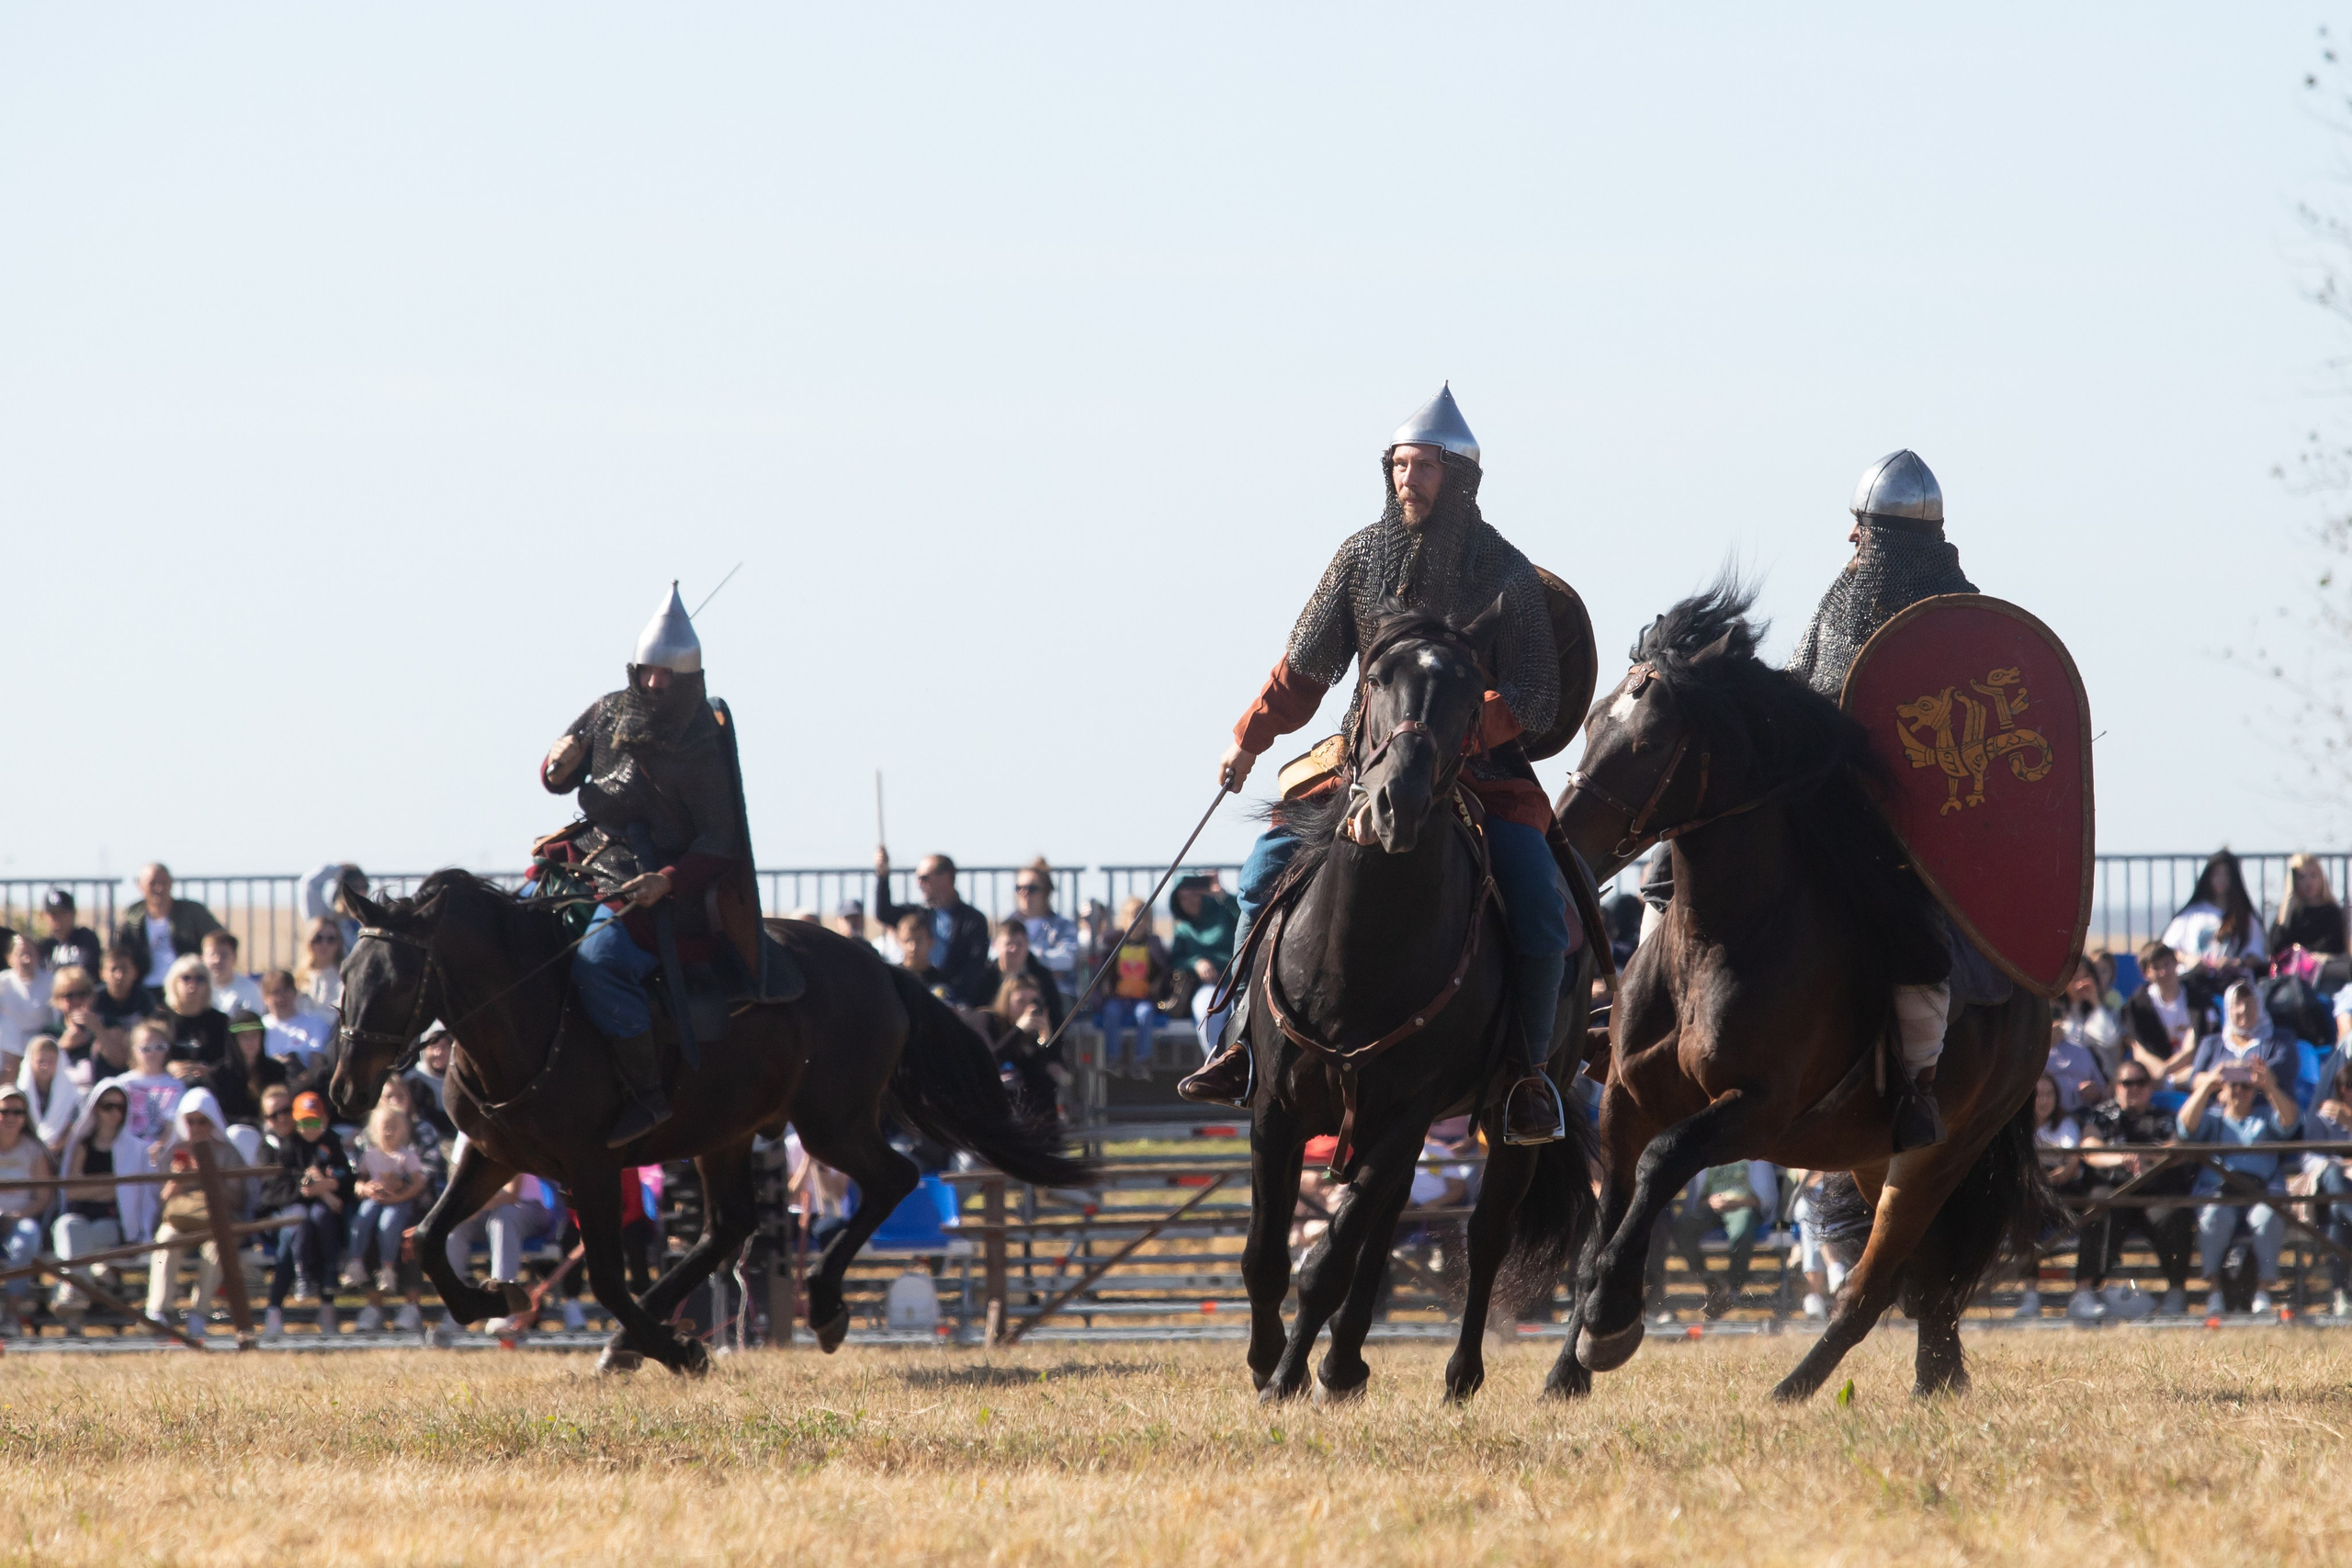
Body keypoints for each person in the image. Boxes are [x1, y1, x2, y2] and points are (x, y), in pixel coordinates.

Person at [1183, 385, 1576, 1145]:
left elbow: (1535, 689)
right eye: (1399, 466)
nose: (1408, 480)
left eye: (1423, 467)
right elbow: (1305, 669)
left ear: (1458, 479)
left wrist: (1466, 725)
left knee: (1536, 901)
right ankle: (1238, 1044)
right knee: (1263, 865)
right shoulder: (1363, 557)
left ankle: (1528, 1077)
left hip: (1475, 772)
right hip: (1364, 762)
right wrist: (1250, 737)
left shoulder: (1506, 574)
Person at [1768, 449, 1982, 1150]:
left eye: (1863, 527)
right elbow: (1801, 681)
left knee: (1917, 944)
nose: (1852, 539)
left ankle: (1917, 1085)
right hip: (1821, 801)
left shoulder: (1959, 615)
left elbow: (1974, 739)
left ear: (1888, 534)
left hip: (1904, 826)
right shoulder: (1841, 596)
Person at [537, 583, 752, 1147]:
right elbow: (561, 776)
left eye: (668, 676)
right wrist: (555, 767)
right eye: (649, 672)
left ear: (689, 680)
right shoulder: (609, 709)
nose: (656, 684)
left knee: (599, 960)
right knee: (521, 940)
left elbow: (719, 837)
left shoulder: (701, 743)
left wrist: (669, 881)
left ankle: (645, 1093)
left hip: (661, 883)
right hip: (588, 858)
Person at [2069, 1062, 2197, 1320]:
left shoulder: (2163, 1117)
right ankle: (2084, 1291)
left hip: (2155, 1190)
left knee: (2176, 1214)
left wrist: (2143, 1157)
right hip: (2113, 1187)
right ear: (2115, 1087)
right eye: (2127, 1083)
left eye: (2141, 1082)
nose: (2134, 1088)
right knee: (2098, 1206)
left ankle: (2176, 1291)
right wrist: (2120, 1158)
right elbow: (2090, 1149)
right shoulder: (2100, 1115)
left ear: (2151, 1087)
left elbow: (2176, 1149)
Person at [2177, 1054, 2301, 1314]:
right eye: (2234, 1085)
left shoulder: (2266, 1117)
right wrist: (2207, 1085)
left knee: (2268, 1217)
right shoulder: (2212, 1118)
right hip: (2219, 1193)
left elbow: (2290, 1122)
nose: (2240, 1091)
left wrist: (2269, 1086)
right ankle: (2214, 1293)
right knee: (2213, 1218)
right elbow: (2185, 1126)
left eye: (2246, 1085)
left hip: (2263, 1192)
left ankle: (2262, 1292)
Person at [142, 1087, 249, 1338]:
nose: (196, 1127)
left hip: (218, 1221)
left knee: (218, 1248)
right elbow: (163, 1198)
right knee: (165, 1239)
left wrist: (207, 1176)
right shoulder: (174, 1151)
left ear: (212, 1122)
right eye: (190, 1121)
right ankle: (158, 1310)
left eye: (202, 1121)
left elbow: (238, 1198)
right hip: (181, 1219)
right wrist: (178, 1179)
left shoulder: (228, 1152)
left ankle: (199, 1315)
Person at [258, 1089, 351, 1337]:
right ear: (266, 1119)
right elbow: (274, 1192)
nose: (282, 1118)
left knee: (315, 1223)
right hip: (278, 1216)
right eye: (273, 1115)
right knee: (296, 1229)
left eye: (286, 1111)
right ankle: (279, 1306)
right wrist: (320, 1191)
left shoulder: (317, 1139)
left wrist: (327, 1187)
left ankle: (322, 1299)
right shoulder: (269, 1146)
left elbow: (337, 1174)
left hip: (315, 1215)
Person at [50, 1082, 136, 1335]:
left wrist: (95, 1187)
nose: (114, 1113)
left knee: (92, 1235)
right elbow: (73, 1190)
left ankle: (72, 1300)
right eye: (107, 1106)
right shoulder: (82, 1145)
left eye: (119, 1107)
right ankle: (82, 1292)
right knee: (68, 1227)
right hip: (79, 1215)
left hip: (112, 1221)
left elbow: (125, 1192)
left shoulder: (131, 1148)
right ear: (96, 1109)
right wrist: (107, 1185)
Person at [342, 1100, 427, 1332]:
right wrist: (365, 1189)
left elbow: (420, 1182)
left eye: (394, 1127)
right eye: (384, 1127)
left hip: (401, 1205)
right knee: (363, 1221)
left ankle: (391, 1276)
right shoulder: (369, 1154)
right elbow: (360, 1181)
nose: (389, 1132)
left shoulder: (406, 1156)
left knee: (390, 1225)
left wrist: (398, 1196)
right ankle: (356, 1265)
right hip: (375, 1201)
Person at [442, 1165, 556, 1334]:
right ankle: (456, 1308)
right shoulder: (465, 1140)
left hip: (526, 1208)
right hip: (487, 1209)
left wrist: (474, 1206)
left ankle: (502, 1306)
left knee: (502, 1219)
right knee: (457, 1226)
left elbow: (511, 1195)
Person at [872, 850, 994, 1007]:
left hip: (955, 1001)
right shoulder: (918, 914)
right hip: (920, 992)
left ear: (946, 878)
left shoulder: (974, 920)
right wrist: (882, 876)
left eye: (924, 878)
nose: (919, 884)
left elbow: (975, 965)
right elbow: (884, 913)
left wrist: (950, 993)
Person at [1667, 1162, 1766, 1319]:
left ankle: (1733, 1290)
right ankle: (1709, 1280)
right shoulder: (1711, 1150)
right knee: (1682, 1227)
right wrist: (1711, 1201)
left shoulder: (1753, 1154)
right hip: (1711, 1208)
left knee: (1742, 1233)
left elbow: (1764, 1198)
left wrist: (1736, 1202)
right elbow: (1699, 1196)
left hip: (1743, 1206)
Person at [112, 863, 223, 992]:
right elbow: (118, 953)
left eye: (164, 882)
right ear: (140, 886)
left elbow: (220, 940)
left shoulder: (192, 912)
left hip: (188, 985)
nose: (159, 888)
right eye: (153, 883)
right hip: (145, 988)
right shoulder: (131, 918)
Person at [2162, 850, 2267, 977]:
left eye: (2226, 875)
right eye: (2216, 874)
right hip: (2195, 981)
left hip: (2233, 983)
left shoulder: (2245, 916)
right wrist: (2188, 959)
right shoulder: (2191, 914)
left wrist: (2235, 963)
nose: (2221, 879)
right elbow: (2167, 949)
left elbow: (2257, 956)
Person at [1097, 897, 1169, 1081]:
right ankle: (1114, 1059)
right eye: (1131, 915)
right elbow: (1101, 970)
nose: (1136, 921)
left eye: (1141, 916)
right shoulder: (1113, 942)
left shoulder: (1153, 943)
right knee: (1110, 1013)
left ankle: (1141, 1060)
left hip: (1143, 997)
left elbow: (1164, 969)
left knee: (1145, 1014)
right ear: (1123, 918)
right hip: (1118, 997)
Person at [0, 1087, 53, 1334]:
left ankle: (12, 1313)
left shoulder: (34, 1150)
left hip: (19, 1220)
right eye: (5, 1111)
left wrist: (17, 1217)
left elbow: (43, 1197)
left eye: (18, 1112)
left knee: (28, 1237)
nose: (11, 1118)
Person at [2185, 980, 2301, 1090]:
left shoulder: (2281, 1039)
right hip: (2217, 1108)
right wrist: (2217, 1079)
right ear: (2228, 1009)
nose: (2244, 1009)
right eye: (2237, 1004)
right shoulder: (2211, 1043)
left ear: (2259, 1006)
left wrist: (2236, 1073)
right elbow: (2194, 1079)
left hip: (2262, 1108)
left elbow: (2284, 1070)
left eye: (2249, 1003)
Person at [984, 976, 1069, 1128]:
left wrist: (1043, 1041)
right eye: (1020, 1002)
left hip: (1028, 1110)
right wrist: (1018, 1030)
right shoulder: (988, 1021)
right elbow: (991, 1060)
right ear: (1007, 1001)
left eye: (1033, 1002)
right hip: (994, 1102)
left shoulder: (1031, 1034)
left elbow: (1040, 1078)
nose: (1027, 1008)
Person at [2126, 940, 2211, 1086]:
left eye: (2167, 964)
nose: (2163, 972)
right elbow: (2140, 1051)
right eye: (2156, 967)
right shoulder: (2138, 1004)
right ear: (2146, 973)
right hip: (2153, 1073)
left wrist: (2164, 1073)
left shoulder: (2194, 998)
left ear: (2176, 964)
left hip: (2187, 1070)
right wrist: (2159, 1073)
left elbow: (2193, 1047)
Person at [1169, 874, 1238, 1049]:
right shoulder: (1183, 928)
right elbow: (1175, 960)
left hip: (1239, 980)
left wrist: (1222, 895)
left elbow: (1248, 918)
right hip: (1208, 986)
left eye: (1193, 894)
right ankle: (1215, 1065)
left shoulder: (1224, 911)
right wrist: (1196, 963)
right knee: (1207, 1011)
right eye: (1183, 898)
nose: (1189, 901)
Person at [206, 1008, 287, 1132]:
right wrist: (250, 1124)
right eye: (244, 1037)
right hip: (234, 1136)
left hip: (272, 1131)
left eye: (254, 1035)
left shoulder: (276, 1070)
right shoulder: (219, 1075)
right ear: (234, 1041)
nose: (250, 1042)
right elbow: (220, 1115)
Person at [979, 918, 1065, 1031]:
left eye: (1020, 944)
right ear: (996, 945)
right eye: (1009, 944)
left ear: (1027, 946)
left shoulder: (1042, 977)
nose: (1014, 949)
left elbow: (1055, 1015)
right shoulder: (983, 977)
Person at [258, 968, 338, 1087]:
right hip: (269, 1089)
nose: (281, 997)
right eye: (275, 992)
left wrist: (296, 1086)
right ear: (265, 997)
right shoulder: (260, 1027)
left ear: (295, 992)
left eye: (286, 990)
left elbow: (317, 1065)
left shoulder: (315, 1023)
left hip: (305, 1089)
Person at [2056, 959, 2129, 1084]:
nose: (2081, 984)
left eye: (2086, 978)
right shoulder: (2055, 1014)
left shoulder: (2108, 1012)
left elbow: (2109, 1040)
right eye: (2074, 978)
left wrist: (2095, 1002)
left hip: (2102, 1085)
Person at [1014, 860, 1080, 996]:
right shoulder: (1008, 924)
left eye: (1031, 889)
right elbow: (996, 956)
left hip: (1057, 993)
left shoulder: (1063, 926)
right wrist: (1045, 965)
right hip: (1016, 994)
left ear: (1046, 892)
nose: (1024, 893)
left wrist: (1024, 959)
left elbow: (1067, 959)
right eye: (1019, 888)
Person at [45, 965, 114, 1089]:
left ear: (91, 996)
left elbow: (120, 1062)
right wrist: (62, 1046)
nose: (76, 1001)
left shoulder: (108, 1023)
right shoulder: (50, 1032)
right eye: (69, 996)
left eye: (81, 994)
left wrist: (98, 1030)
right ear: (58, 1000)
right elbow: (39, 1073)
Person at [17, 1035, 81, 1157]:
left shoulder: (71, 1095)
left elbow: (74, 1127)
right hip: (26, 1153)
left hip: (62, 1153)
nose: (45, 1066)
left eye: (51, 1061)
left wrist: (57, 1146)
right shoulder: (20, 1094)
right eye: (40, 1061)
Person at [0, 933, 51, 1077]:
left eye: (31, 953)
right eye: (21, 954)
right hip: (7, 1047)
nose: (26, 959)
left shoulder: (50, 981)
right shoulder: (2, 983)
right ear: (9, 958)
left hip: (41, 1045)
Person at [2042, 1010, 2109, 1113]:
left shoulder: (2081, 1050)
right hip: (2048, 1116)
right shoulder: (2036, 1053)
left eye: (2056, 1018)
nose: (2054, 1025)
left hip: (2083, 1113)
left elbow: (2102, 1090)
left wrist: (2094, 1091)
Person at [90, 946, 153, 1046]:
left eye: (124, 969)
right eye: (113, 969)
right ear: (102, 974)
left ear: (135, 972)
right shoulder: (94, 999)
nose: (119, 975)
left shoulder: (144, 998)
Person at [35, 889, 102, 977]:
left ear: (73, 914)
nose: (57, 918)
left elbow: (89, 974)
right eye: (53, 913)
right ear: (44, 916)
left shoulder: (86, 939)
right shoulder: (44, 946)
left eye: (62, 913)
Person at [199, 931, 264, 1017]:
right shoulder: (196, 989)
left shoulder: (250, 990)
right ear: (203, 958)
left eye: (224, 955)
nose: (217, 960)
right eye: (213, 954)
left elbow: (252, 1026)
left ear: (234, 958)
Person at [296, 918, 346, 1010]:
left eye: (331, 939)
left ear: (339, 943)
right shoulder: (297, 979)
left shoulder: (345, 980)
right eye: (318, 938)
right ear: (309, 941)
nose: (324, 944)